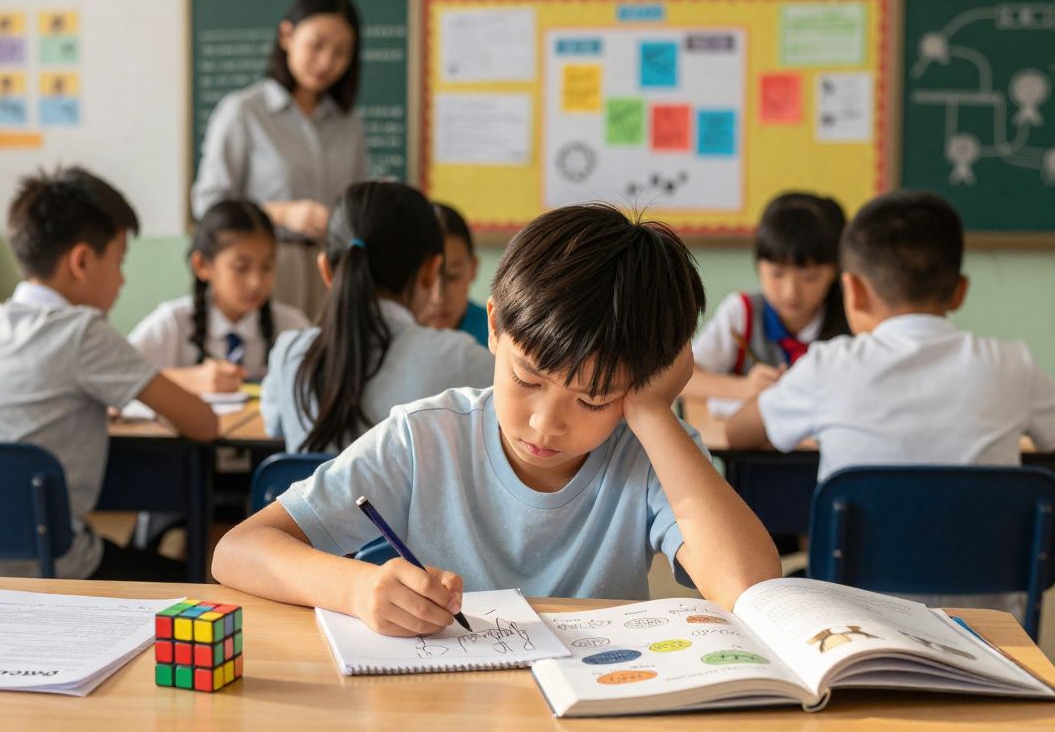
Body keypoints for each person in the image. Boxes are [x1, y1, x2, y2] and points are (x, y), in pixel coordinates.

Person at [214, 203, 781, 635]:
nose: (544, 424)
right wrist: (359, 588)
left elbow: (751, 589)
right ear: (493, 326)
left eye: (592, 399)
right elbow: (238, 550)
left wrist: (654, 412)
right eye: (528, 379)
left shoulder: (649, 450)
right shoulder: (426, 437)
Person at [725, 190, 1055, 613]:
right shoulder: (1014, 366)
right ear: (959, 292)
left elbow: (738, 432)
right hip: (987, 626)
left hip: (856, 622)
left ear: (853, 290)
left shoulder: (828, 366)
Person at [0, 166, 218, 582]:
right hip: (48, 569)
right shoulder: (81, 331)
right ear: (81, 261)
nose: (122, 280)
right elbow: (204, 424)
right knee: (192, 583)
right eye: (119, 262)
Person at [260, 181, 495, 453]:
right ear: (431, 271)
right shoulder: (463, 359)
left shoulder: (290, 353)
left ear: (326, 270)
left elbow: (274, 427)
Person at [191, 0, 366, 319]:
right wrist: (283, 214)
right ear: (287, 36)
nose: (327, 61)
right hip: (264, 271)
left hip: (332, 272)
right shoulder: (243, 112)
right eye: (317, 45)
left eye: (341, 52)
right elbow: (209, 204)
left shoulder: (348, 124)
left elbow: (356, 202)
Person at [684, 192, 850, 417]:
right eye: (777, 274)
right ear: (759, 265)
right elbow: (684, 379)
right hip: (751, 448)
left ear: (835, 272)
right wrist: (745, 388)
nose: (791, 291)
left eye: (809, 277)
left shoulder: (852, 319)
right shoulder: (742, 313)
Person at [129, 199, 310, 387]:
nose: (256, 282)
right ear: (202, 265)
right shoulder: (172, 324)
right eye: (241, 268)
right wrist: (189, 379)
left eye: (267, 267)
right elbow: (116, 378)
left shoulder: (292, 326)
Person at [420, 202, 488, 346]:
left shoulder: (499, 337)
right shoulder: (387, 339)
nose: (438, 297)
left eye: (452, 276)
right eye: (426, 278)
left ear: (473, 268)